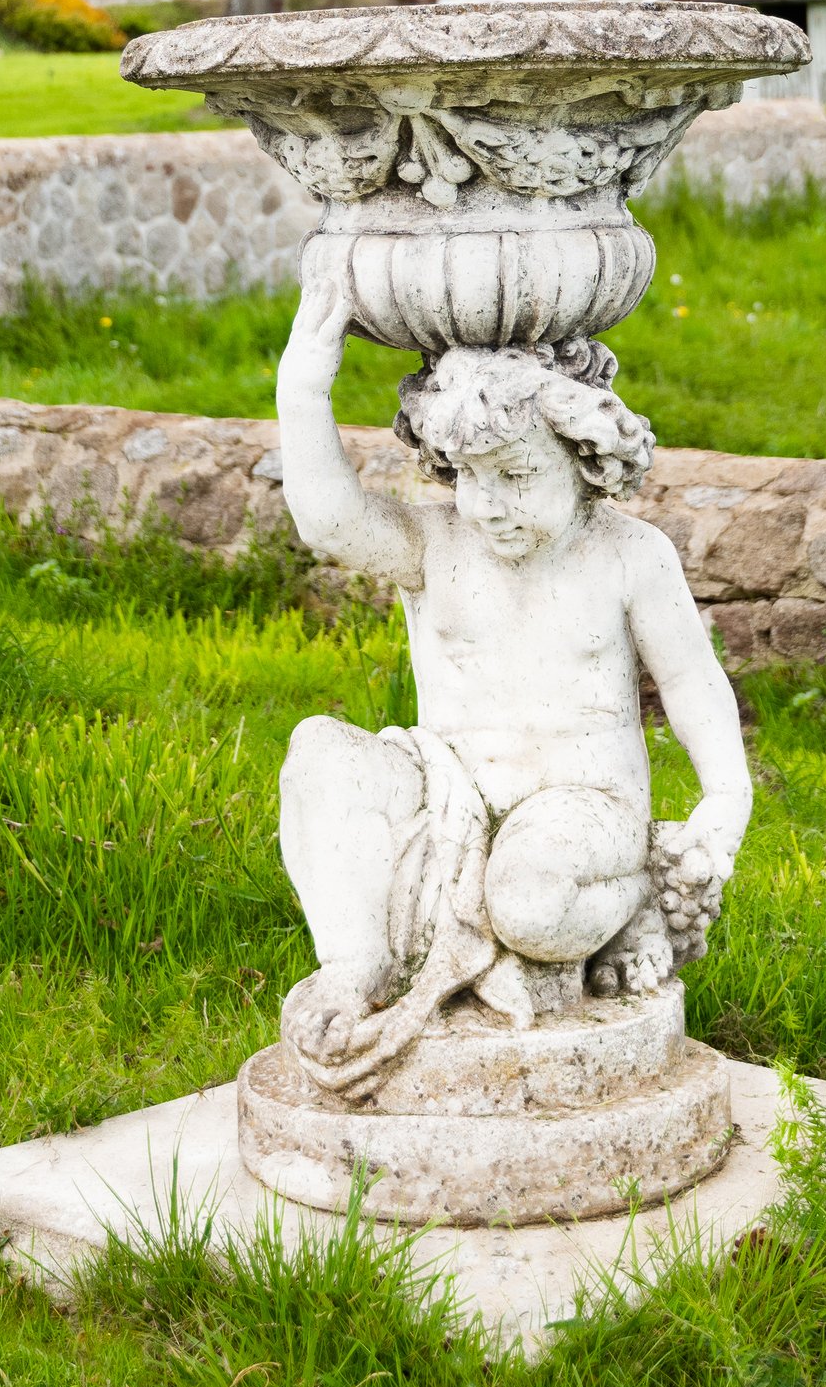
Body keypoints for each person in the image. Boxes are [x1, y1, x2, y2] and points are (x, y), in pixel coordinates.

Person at [273, 242, 753, 1098]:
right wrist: (307, 378)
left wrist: (723, 800)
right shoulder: (438, 543)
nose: (489, 504)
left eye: (518, 476)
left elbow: (690, 684)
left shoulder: (630, 557)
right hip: (452, 792)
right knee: (319, 751)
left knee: (529, 902)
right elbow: (327, 518)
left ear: (585, 457)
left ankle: (632, 894)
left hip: (582, 807)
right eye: (467, 477)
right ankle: (359, 965)